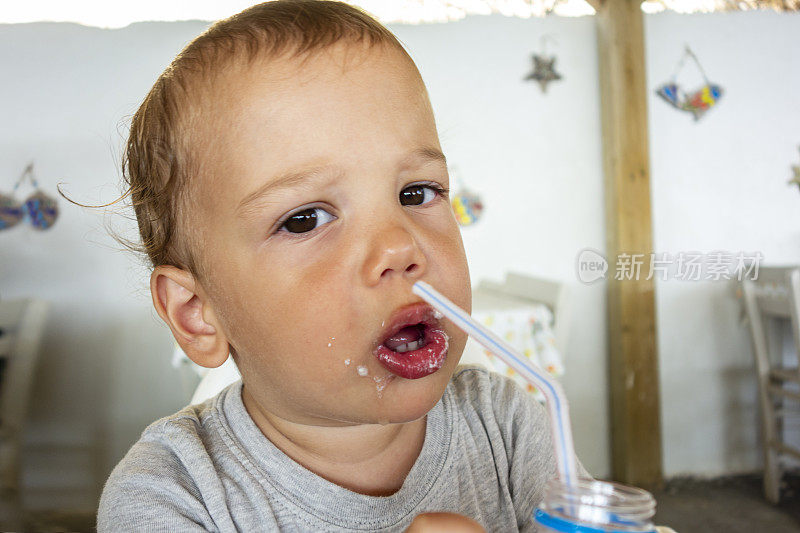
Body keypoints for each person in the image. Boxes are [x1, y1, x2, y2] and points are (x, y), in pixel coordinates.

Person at [97, 1, 587, 531]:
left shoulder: (509, 428)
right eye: (305, 219)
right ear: (199, 314)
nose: (400, 247)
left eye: (416, 192)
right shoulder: (172, 495)